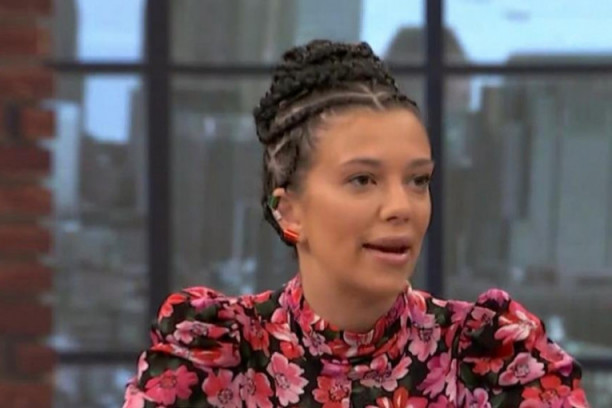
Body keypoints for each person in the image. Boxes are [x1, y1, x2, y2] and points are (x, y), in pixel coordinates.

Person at [122, 40, 590, 408]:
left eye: (418, 180)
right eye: (363, 180)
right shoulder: (213, 360)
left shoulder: (491, 360)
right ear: (289, 211)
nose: (401, 207)